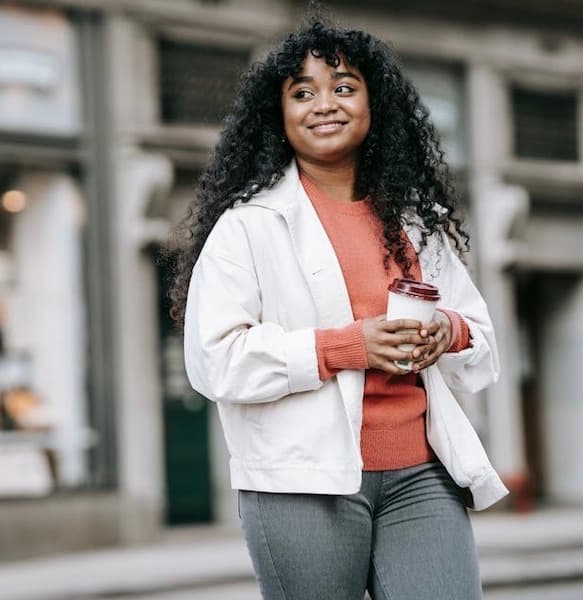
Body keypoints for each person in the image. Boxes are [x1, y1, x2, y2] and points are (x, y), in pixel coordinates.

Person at [172, 17, 506, 600]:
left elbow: (478, 334)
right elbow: (214, 360)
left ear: (375, 105)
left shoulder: (414, 222)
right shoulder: (248, 227)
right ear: (278, 115)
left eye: (344, 87)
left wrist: (447, 333)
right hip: (301, 482)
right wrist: (347, 346)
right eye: (302, 93)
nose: (324, 104)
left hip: (421, 473)